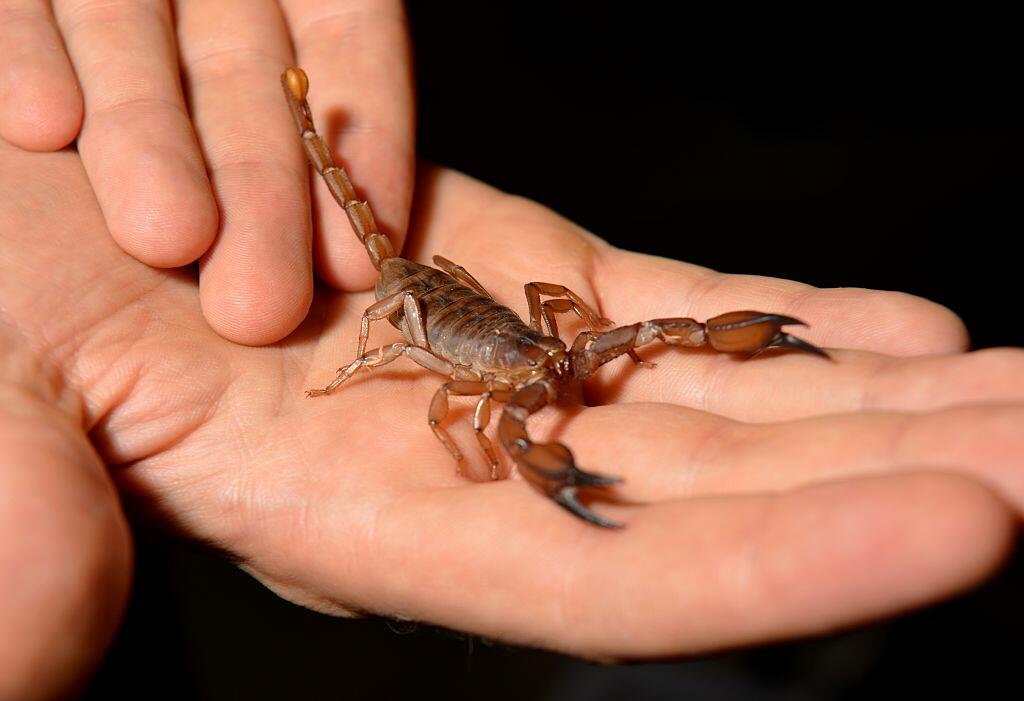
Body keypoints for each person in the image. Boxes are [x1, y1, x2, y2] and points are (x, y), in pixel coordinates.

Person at [1, 3, 1021, 699]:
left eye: (555, 357)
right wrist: (469, 445)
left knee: (645, 337)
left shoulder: (548, 348)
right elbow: (460, 414)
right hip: (424, 303)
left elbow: (582, 314)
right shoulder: (490, 393)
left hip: (477, 304)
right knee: (430, 362)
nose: (551, 380)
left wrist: (585, 323)